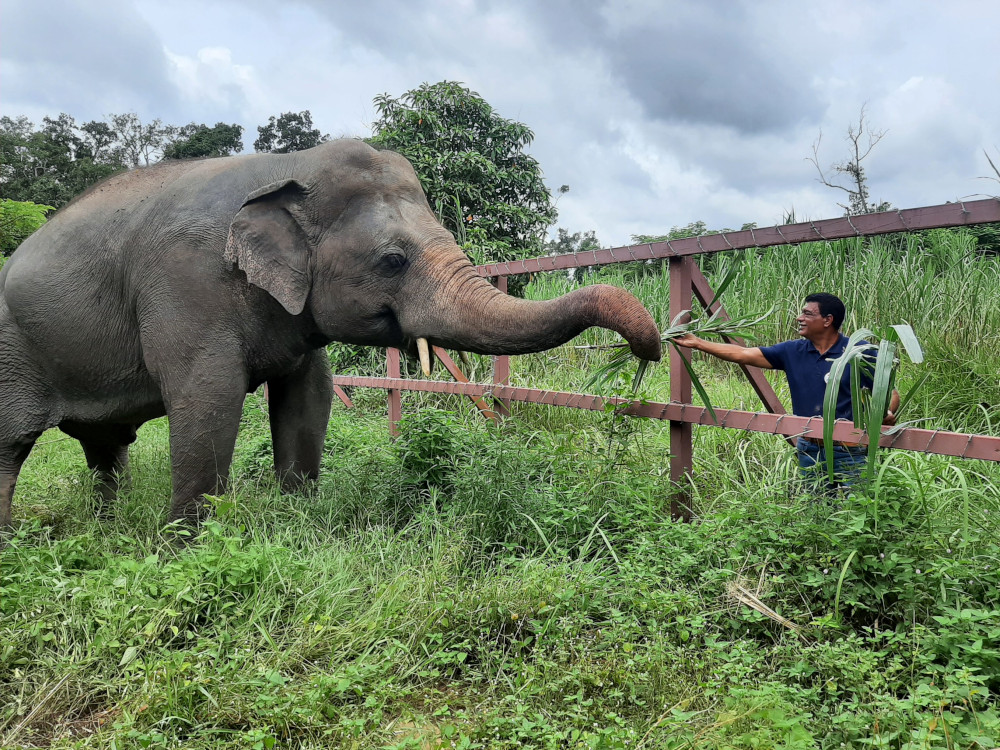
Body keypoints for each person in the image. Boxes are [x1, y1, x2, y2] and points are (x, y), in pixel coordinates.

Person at [674, 292, 899, 489]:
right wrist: (698, 343)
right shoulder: (793, 351)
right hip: (810, 448)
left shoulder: (860, 352)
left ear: (828, 320)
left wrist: (886, 413)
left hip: (852, 450)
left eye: (807, 313)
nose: (799, 318)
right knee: (815, 511)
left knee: (859, 512)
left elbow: (889, 392)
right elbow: (743, 354)